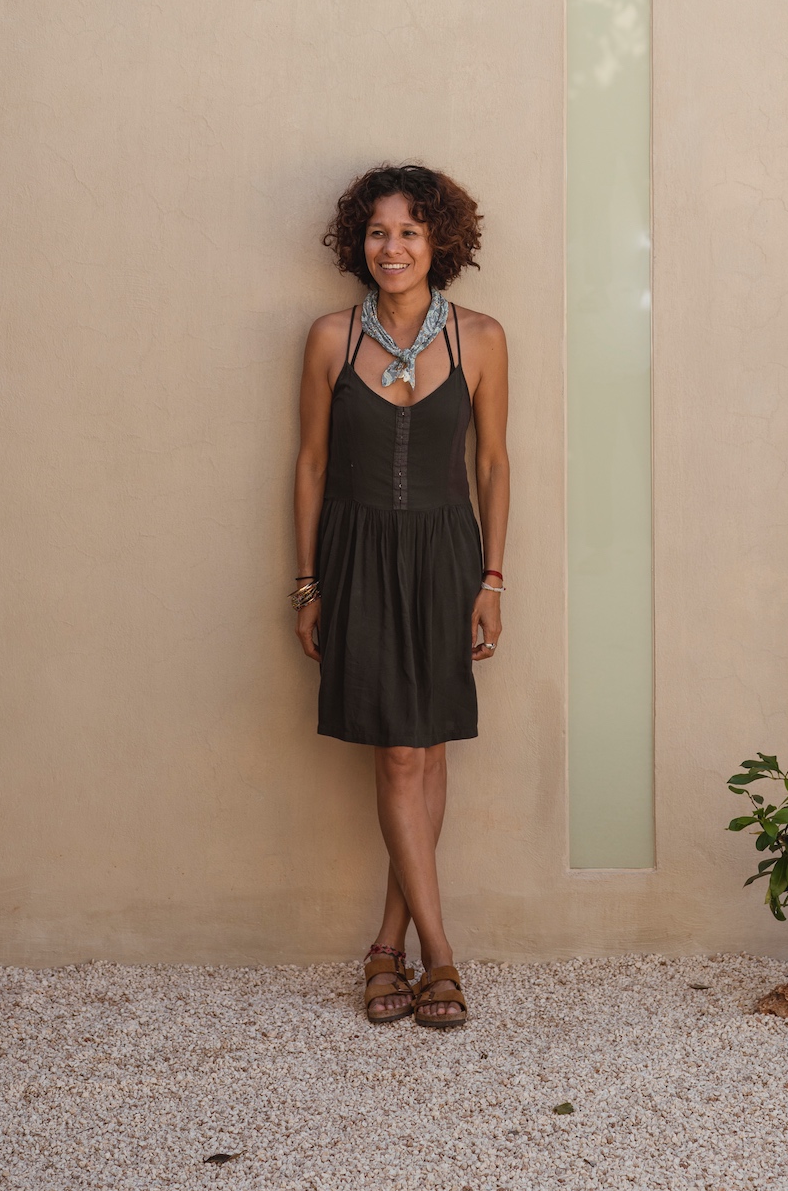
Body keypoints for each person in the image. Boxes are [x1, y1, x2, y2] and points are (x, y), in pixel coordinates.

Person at [292, 164, 509, 1031]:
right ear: (359, 241)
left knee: (427, 754)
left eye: (410, 232)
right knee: (398, 758)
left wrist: (491, 577)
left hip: (446, 556)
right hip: (356, 555)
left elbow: (492, 465)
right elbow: (309, 464)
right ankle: (441, 954)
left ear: (439, 242)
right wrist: (305, 581)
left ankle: (389, 948)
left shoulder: (483, 337)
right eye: (379, 232)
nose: (393, 248)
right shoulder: (328, 338)